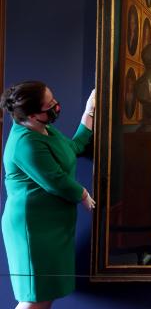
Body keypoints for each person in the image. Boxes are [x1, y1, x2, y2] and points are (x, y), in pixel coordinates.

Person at [0, 81, 96, 309]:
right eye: (49, 104)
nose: (56, 106)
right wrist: (82, 194)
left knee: (45, 295)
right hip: (32, 230)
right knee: (34, 298)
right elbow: (55, 180)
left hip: (51, 228)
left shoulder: (44, 129)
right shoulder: (25, 143)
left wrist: (89, 111)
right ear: (33, 115)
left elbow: (73, 149)